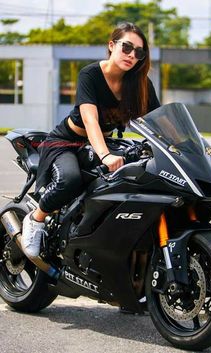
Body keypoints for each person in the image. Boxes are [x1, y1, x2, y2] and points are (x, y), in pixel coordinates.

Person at [21, 22, 160, 258]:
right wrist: (105, 155)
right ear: (111, 45)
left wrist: (183, 145)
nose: (132, 55)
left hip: (103, 143)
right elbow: (90, 120)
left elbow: (159, 121)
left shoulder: (140, 85)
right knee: (70, 179)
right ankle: (36, 219)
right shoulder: (91, 74)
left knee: (130, 180)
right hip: (68, 141)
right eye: (127, 47)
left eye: (139, 52)